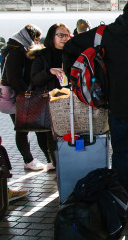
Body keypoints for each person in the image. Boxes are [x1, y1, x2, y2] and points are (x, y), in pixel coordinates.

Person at [63, 0, 128, 212]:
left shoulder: (105, 35)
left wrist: (74, 78)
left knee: (121, 153)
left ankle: (121, 199)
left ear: (124, 14)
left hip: (119, 106)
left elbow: (69, 47)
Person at [0, 25, 49, 171]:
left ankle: (43, 159)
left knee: (27, 128)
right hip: (19, 97)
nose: (36, 43)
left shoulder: (14, 49)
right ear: (30, 37)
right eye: (36, 39)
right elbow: (14, 78)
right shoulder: (16, 52)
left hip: (21, 96)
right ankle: (29, 160)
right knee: (22, 129)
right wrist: (27, 95)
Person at [31, 23, 73, 170]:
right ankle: (58, 167)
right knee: (52, 136)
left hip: (71, 101)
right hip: (50, 102)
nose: (64, 38)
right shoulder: (42, 56)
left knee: (72, 133)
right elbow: (35, 79)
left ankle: (71, 165)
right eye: (60, 35)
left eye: (67, 35)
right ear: (52, 37)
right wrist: (50, 72)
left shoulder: (72, 54)